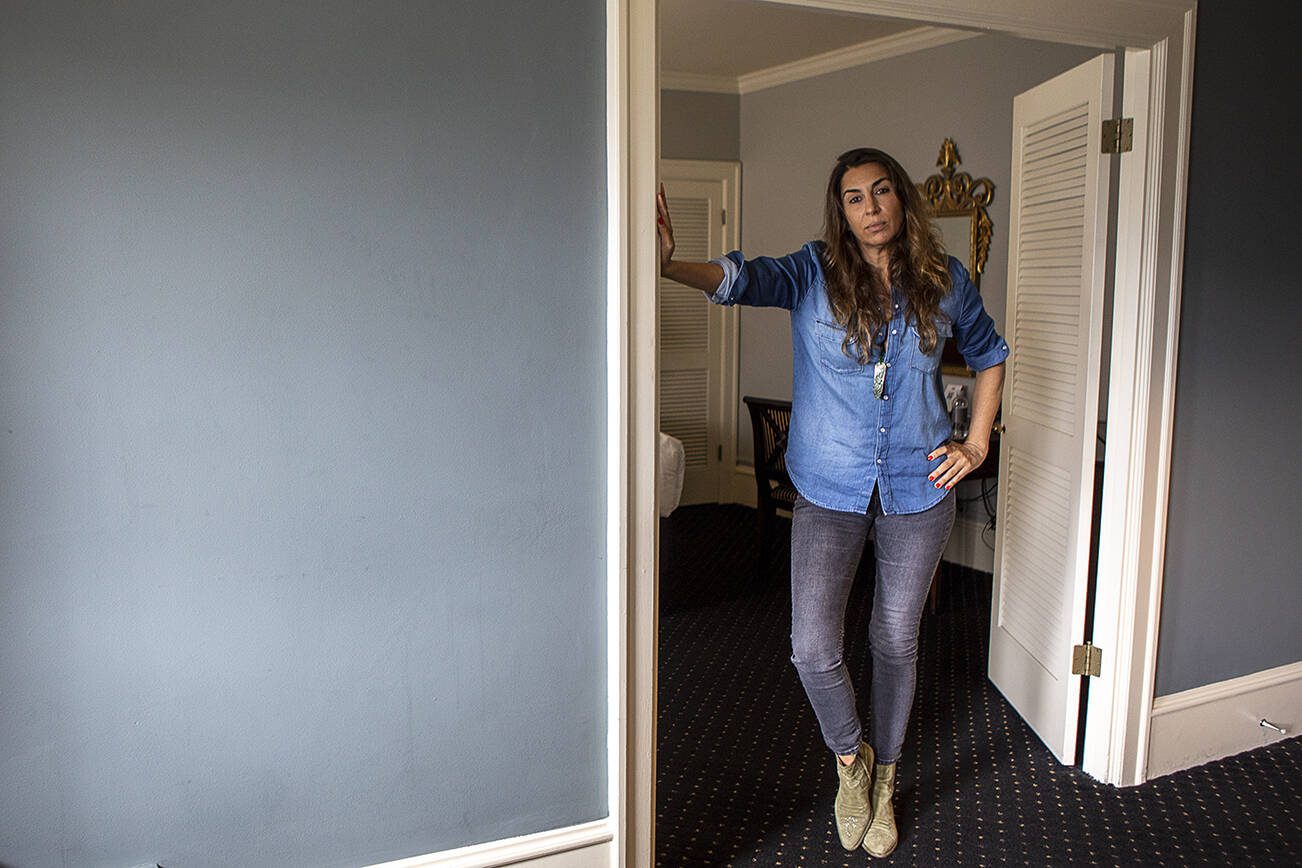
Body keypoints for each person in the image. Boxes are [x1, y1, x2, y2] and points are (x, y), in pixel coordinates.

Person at [656, 147, 1007, 858]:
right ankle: (852, 763)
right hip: (828, 487)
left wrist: (977, 444)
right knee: (813, 647)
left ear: (901, 199)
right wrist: (670, 265)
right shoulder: (811, 272)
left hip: (919, 486)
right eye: (854, 197)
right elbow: (740, 278)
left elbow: (991, 351)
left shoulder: (945, 279)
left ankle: (888, 775)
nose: (871, 206)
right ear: (840, 211)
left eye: (881, 192)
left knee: (894, 638)